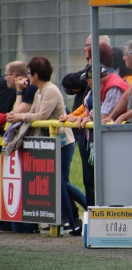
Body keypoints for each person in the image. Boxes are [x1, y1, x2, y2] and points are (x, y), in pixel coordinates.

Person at [6, 56, 87, 231]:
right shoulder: (39, 91)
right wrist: (19, 96)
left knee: (62, 182)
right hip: (52, 143)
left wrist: (19, 116)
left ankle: (76, 217)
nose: (27, 76)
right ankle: (73, 219)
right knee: (60, 182)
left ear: (35, 74)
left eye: (28, 73)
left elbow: (40, 116)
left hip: (63, 143)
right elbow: (27, 112)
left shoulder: (50, 90)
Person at [61, 40, 111, 207]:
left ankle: (96, 216)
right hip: (87, 136)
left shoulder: (108, 85)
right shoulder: (93, 87)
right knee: (89, 181)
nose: (86, 82)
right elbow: (69, 86)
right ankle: (91, 217)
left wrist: (85, 118)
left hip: (96, 138)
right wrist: (73, 116)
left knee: (96, 181)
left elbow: (102, 108)